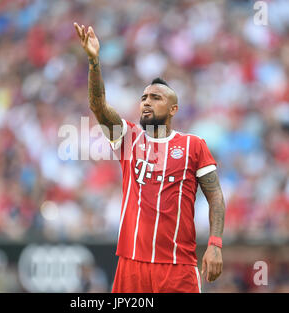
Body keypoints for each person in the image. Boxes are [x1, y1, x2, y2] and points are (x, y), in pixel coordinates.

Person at [73, 23, 225, 293]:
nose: (146, 102)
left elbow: (215, 196)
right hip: (131, 265)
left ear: (173, 108)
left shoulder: (193, 145)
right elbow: (97, 105)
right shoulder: (128, 138)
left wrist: (214, 244)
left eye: (156, 97)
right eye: (144, 97)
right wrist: (94, 61)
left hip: (177, 267)